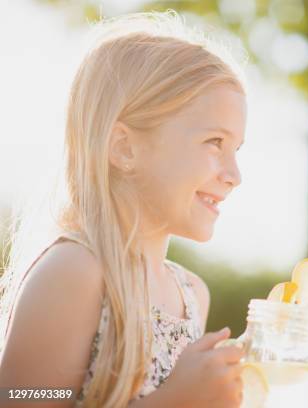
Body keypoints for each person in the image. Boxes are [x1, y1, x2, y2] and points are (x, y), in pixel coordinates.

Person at [0, 11, 246, 408]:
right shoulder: (76, 273)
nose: (234, 175)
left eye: (237, 149)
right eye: (215, 142)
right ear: (124, 148)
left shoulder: (191, 295)